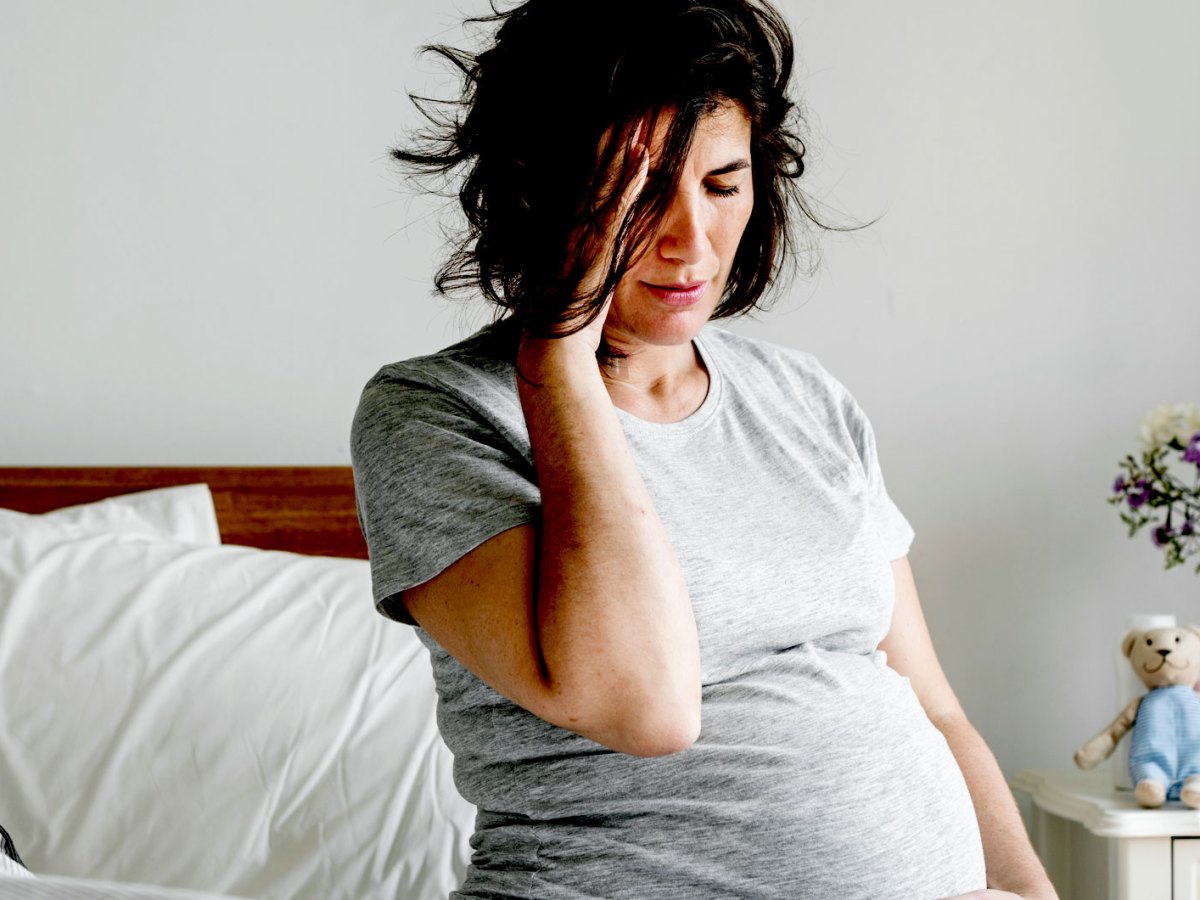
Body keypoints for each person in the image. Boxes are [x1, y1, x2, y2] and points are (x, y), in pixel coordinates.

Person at [351, 1, 1058, 897]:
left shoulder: (804, 399)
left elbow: (936, 708)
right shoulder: (434, 414)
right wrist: (557, 355)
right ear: (544, 190)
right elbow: (645, 707)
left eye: (722, 185)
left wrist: (1030, 894)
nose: (691, 241)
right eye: (641, 194)